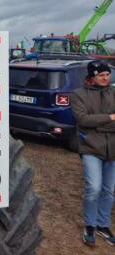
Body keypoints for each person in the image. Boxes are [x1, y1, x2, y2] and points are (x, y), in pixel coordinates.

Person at [71, 60, 115, 246]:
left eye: (108, 74)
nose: (105, 78)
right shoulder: (78, 95)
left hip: (113, 148)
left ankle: (102, 225)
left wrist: (97, 123)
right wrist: (110, 118)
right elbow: (82, 120)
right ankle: (90, 224)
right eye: (101, 75)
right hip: (91, 147)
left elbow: (91, 121)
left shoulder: (113, 92)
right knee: (94, 188)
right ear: (91, 77)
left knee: (109, 190)